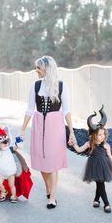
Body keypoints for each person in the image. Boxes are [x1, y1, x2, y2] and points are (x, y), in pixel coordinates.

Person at [20, 55, 76, 209]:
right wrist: (22, 130)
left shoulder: (62, 86)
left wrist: (71, 132)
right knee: (42, 162)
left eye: (39, 68)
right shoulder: (35, 86)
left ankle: (52, 197)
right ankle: (48, 188)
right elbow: (30, 109)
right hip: (39, 124)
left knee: (52, 162)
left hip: (55, 125)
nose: (36, 71)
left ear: (47, 69)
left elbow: (67, 111)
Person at [72, 109, 112, 213]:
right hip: (93, 166)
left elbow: (110, 157)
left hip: (104, 166)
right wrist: (74, 143)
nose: (102, 137)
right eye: (100, 135)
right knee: (100, 184)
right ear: (94, 135)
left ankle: (97, 200)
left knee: (100, 184)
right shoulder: (89, 144)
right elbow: (78, 149)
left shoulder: (106, 145)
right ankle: (106, 204)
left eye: (103, 134)